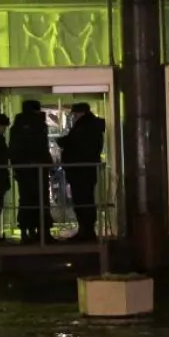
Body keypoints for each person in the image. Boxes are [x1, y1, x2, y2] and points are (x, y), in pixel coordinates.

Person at [57, 101, 106, 241]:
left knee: (82, 201)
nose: (74, 116)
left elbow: (77, 146)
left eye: (75, 114)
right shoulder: (90, 127)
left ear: (81, 113)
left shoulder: (84, 127)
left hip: (80, 171)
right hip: (84, 170)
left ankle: (86, 232)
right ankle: (86, 231)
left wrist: (64, 143)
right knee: (85, 200)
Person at [7, 99, 53, 244]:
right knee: (42, 199)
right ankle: (42, 231)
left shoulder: (18, 126)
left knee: (26, 199)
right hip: (39, 169)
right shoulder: (40, 124)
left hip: (24, 170)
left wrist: (17, 167)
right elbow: (42, 148)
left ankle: (26, 231)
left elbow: (13, 149)